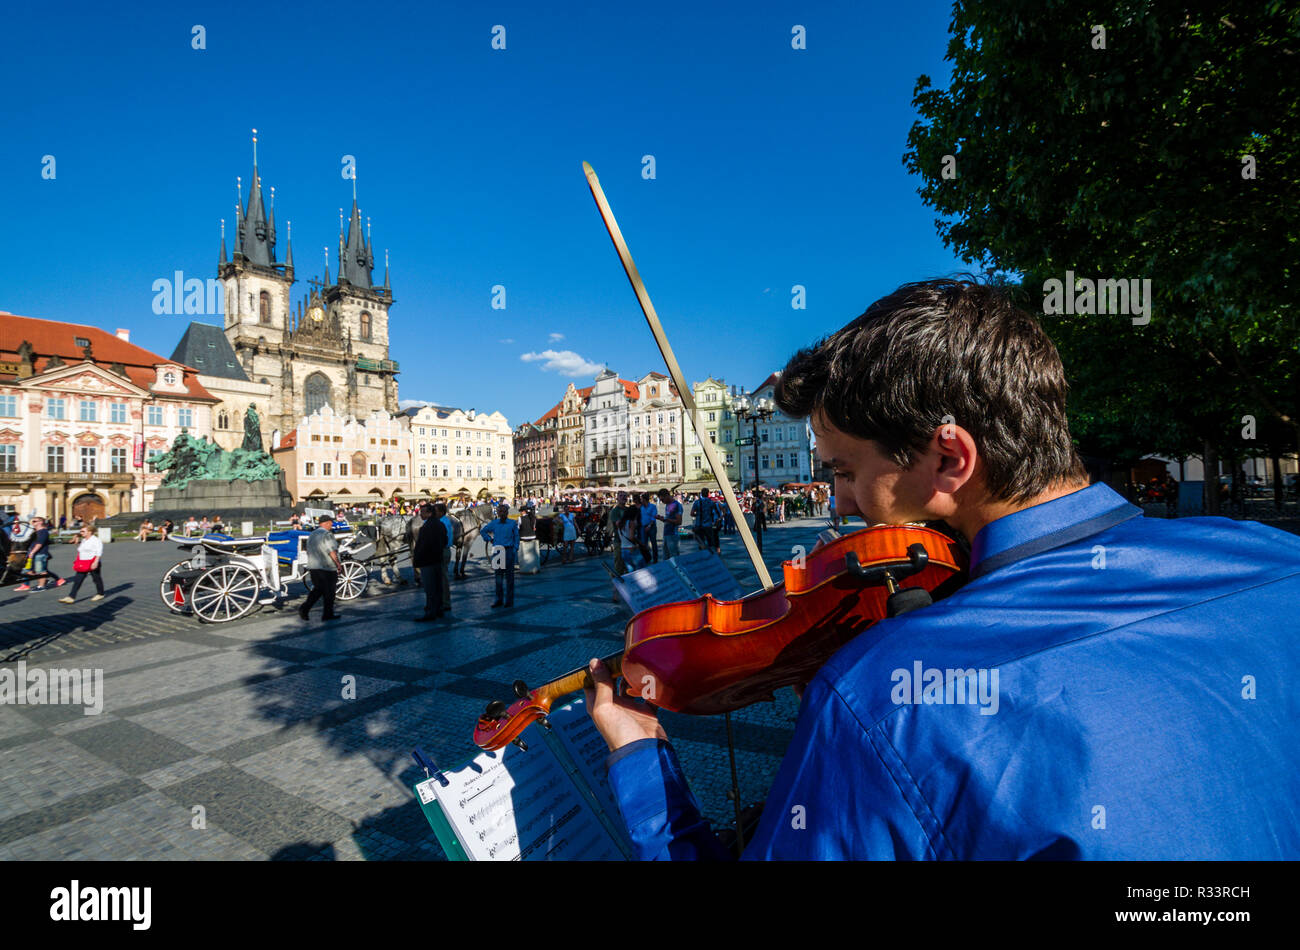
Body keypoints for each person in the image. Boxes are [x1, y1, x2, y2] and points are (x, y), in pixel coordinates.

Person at [584, 277, 1300, 860]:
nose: (840, 502)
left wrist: (644, 758)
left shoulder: (883, 698)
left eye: (843, 472)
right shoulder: (1275, 557)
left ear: (950, 458)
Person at [299, 516, 342, 621]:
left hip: (314, 567)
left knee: (318, 590)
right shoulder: (327, 535)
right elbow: (331, 550)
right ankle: (325, 614)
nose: (332, 525)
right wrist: (338, 564)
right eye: (331, 523)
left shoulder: (312, 534)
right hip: (326, 567)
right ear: (327, 523)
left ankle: (306, 608)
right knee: (330, 592)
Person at [411, 504, 448, 621]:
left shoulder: (426, 527)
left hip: (427, 561)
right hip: (437, 559)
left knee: (430, 588)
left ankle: (430, 613)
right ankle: (439, 610)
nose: (420, 515)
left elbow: (422, 546)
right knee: (438, 587)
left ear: (429, 513)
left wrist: (416, 560)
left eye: (422, 512)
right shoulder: (440, 524)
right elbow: (445, 540)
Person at [481, 504, 520, 607]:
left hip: (508, 550)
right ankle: (498, 599)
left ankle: (509, 600)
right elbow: (483, 531)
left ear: (507, 513)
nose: (502, 513)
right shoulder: (494, 523)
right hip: (498, 551)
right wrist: (489, 539)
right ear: (497, 513)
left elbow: (516, 537)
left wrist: (515, 549)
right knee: (498, 578)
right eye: (500, 512)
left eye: (504, 511)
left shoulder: (512, 523)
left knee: (509, 578)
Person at [58, 524, 104, 604]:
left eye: (83, 531)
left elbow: (99, 552)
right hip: (83, 563)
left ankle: (100, 593)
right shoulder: (84, 540)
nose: (81, 532)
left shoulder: (96, 540)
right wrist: (76, 540)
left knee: (96, 579)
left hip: (92, 562)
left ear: (90, 532)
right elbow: (81, 550)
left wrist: (96, 562)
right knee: (77, 580)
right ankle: (71, 597)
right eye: (81, 531)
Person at [16, 516, 64, 592]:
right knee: (28, 569)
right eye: (32, 521)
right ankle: (26, 584)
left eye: (35, 521)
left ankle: (41, 586)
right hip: (33, 553)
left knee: (41, 570)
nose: (32, 522)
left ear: (41, 522)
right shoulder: (35, 532)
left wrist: (32, 552)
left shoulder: (43, 532)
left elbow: (39, 544)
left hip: (40, 554)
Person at [436, 502, 455, 613]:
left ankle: (446, 603)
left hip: (443, 550)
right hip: (442, 550)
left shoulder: (443, 522)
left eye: (436, 511)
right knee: (440, 577)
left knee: (443, 578)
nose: (434, 512)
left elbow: (443, 539)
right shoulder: (441, 521)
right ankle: (440, 601)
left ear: (442, 512)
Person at [656, 488, 682, 560]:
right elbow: (668, 520)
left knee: (674, 558)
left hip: (673, 534)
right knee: (666, 558)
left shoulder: (676, 505)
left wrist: (666, 519)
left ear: (667, 496)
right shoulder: (667, 505)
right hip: (666, 534)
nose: (662, 501)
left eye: (662, 499)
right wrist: (662, 519)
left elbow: (679, 521)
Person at [607, 492, 629, 575]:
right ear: (617, 499)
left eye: (625, 496)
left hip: (629, 541)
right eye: (621, 496)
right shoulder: (615, 511)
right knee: (619, 563)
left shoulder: (628, 510)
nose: (623, 497)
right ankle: (617, 581)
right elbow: (619, 524)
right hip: (619, 541)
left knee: (628, 564)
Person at [640, 493, 659, 563]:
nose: (640, 500)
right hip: (643, 527)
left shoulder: (653, 506)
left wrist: (649, 526)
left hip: (651, 527)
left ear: (644, 499)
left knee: (653, 543)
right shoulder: (641, 507)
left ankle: (655, 559)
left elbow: (653, 517)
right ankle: (647, 558)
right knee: (644, 544)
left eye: (641, 499)